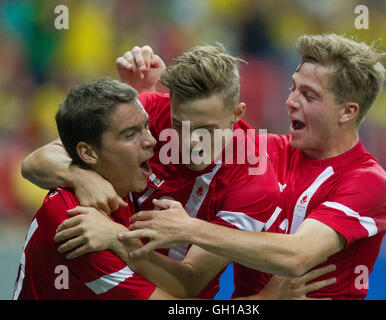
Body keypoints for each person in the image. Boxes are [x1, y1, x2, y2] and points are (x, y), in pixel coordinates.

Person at [21, 44, 335, 299]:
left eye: (206, 130)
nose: (191, 143)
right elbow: (36, 161)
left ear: (235, 115)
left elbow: (189, 284)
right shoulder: (149, 112)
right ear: (170, 105)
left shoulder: (253, 182)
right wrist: (80, 175)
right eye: (178, 125)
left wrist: (117, 238)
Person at [118, 34, 386, 300]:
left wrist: (189, 228)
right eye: (293, 87)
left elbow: (298, 255)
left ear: (347, 111)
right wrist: (148, 96)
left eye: (309, 96)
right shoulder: (260, 149)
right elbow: (202, 121)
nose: (290, 101)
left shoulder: (367, 181)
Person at [13, 78, 177, 299]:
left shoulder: (125, 180)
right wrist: (120, 239)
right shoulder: (75, 221)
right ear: (88, 153)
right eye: (130, 134)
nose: (151, 141)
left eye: (146, 126)